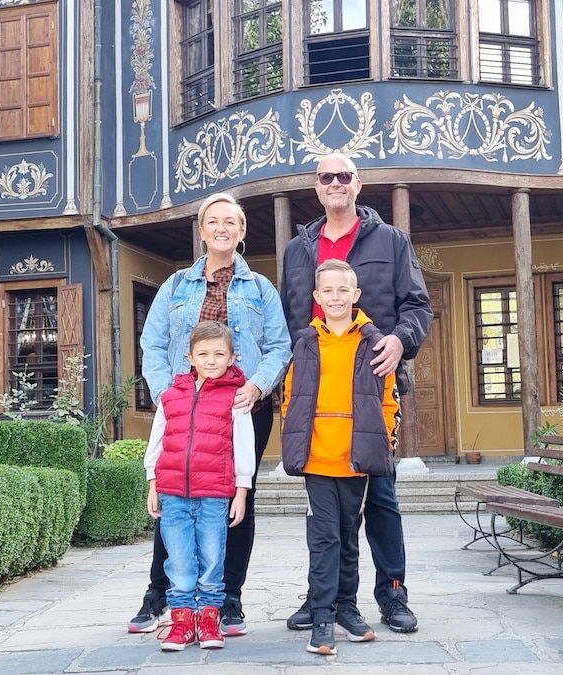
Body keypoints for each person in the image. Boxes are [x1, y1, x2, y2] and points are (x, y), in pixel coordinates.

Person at [279, 153, 432, 634]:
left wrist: (400, 340)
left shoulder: (391, 240)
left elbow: (417, 306)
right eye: (327, 177)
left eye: (344, 176)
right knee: (322, 511)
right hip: (318, 404)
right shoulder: (297, 249)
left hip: (371, 394)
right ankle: (321, 596)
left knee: (381, 498)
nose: (336, 183)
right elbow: (290, 320)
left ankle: (392, 594)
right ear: (317, 187)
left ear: (358, 184)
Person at [132, 192, 292, 636]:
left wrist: (257, 384)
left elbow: (280, 346)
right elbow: (154, 345)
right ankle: (159, 596)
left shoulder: (261, 288)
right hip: (184, 408)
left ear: (241, 232)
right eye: (213, 221)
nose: (222, 228)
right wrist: (168, 395)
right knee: (175, 493)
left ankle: (229, 599)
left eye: (231, 222)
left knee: (238, 497)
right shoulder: (175, 287)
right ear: (202, 230)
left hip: (243, 410)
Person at [281, 259, 398, 655]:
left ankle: (347, 608)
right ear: (316, 298)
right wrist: (295, 438)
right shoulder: (306, 343)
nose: (335, 297)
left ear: (356, 295)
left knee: (349, 538)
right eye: (327, 291)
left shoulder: (373, 342)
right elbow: (292, 398)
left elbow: (386, 401)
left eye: (342, 290)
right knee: (324, 538)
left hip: (356, 459)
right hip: (317, 459)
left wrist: (383, 443)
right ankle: (322, 616)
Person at [143, 321, 255, 651]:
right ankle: (181, 621)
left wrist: (242, 490)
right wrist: (153, 482)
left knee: (211, 557)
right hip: (174, 493)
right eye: (203, 353)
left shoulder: (235, 398)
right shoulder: (171, 397)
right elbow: (157, 441)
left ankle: (208, 619)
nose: (210, 360)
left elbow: (244, 445)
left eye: (219, 354)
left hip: (215, 495)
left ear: (232, 357)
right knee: (177, 559)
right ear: (189, 357)